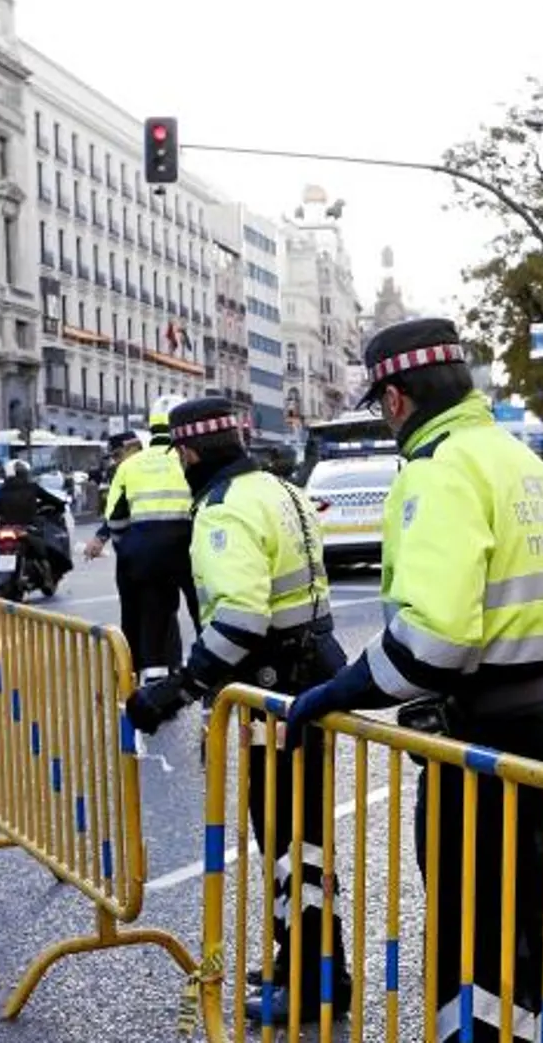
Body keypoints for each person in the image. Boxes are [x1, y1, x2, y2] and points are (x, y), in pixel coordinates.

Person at [283, 316, 543, 1043]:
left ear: (396, 400)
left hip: (475, 747)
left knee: (473, 935)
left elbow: (433, 643)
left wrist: (337, 692)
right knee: (526, 918)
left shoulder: (437, 472)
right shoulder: (525, 464)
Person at [122, 395, 355, 1024]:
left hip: (271, 689)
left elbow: (242, 620)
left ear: (190, 453)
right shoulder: (282, 489)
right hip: (311, 673)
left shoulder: (224, 510)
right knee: (302, 836)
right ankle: (313, 962)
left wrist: (179, 687)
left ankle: (314, 982)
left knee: (287, 837)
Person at [85, 403, 196, 681]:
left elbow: (116, 518)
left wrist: (129, 548)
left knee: (152, 618)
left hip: (145, 553)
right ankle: (213, 685)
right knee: (202, 614)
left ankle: (154, 680)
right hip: (190, 550)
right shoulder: (188, 458)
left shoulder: (130, 466)